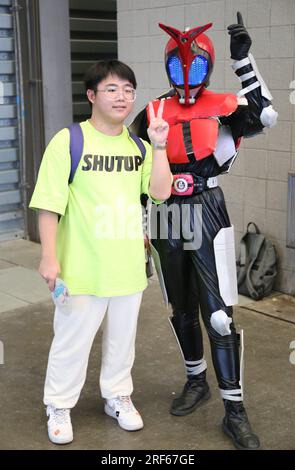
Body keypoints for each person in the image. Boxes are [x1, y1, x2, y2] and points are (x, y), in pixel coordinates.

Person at [130, 13, 277, 450]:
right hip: (163, 211)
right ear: (168, 67)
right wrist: (137, 223)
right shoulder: (154, 110)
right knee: (180, 306)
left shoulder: (225, 105)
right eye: (178, 66)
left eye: (194, 67)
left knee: (218, 312)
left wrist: (244, 62)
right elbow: (134, 166)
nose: (186, 76)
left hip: (208, 208)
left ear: (207, 67)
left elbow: (266, 116)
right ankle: (197, 381)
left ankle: (235, 412)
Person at [29, 59, 172, 445]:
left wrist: (160, 147)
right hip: (80, 268)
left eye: (128, 90)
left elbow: (160, 193)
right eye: (112, 89)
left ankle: (117, 396)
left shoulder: (140, 147)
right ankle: (58, 404)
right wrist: (49, 256)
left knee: (122, 342)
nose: (122, 97)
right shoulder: (69, 140)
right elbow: (48, 204)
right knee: (72, 341)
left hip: (127, 267)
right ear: (91, 95)